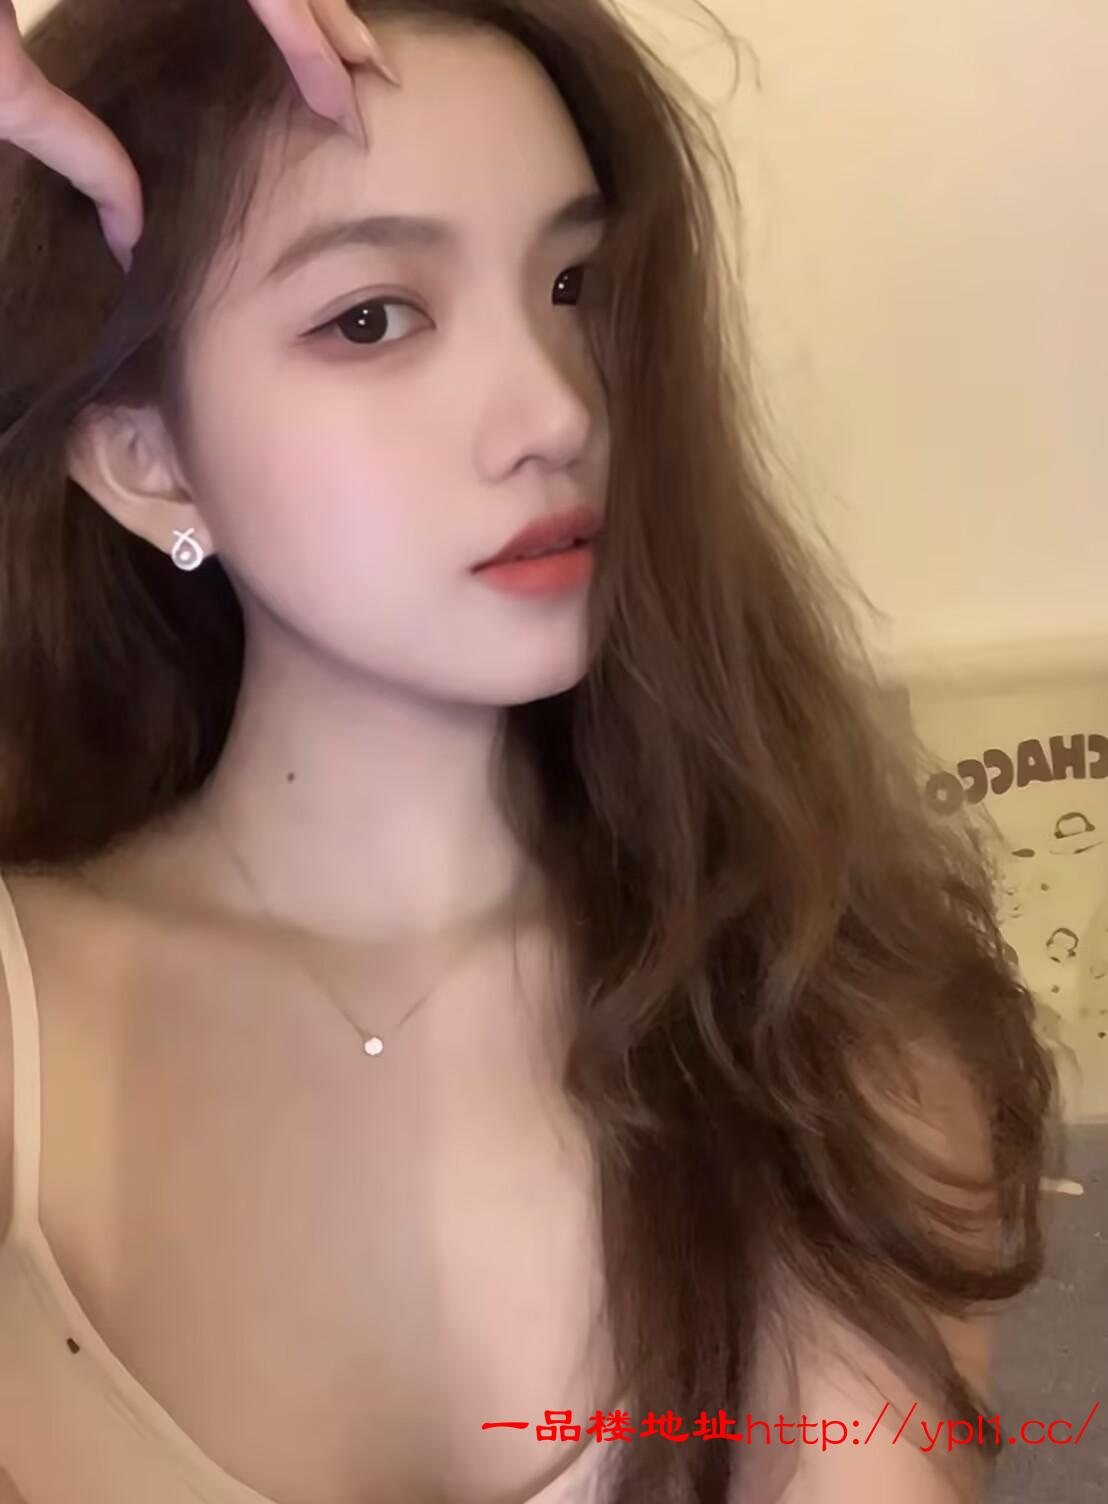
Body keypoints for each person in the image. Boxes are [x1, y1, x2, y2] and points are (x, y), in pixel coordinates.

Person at [0, 1, 1055, 1501]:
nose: (556, 413)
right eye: (373, 318)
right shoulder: (25, 1030)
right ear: (146, 459)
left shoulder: (819, 1019)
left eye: (576, 287)